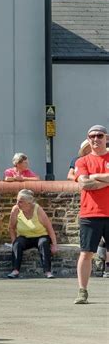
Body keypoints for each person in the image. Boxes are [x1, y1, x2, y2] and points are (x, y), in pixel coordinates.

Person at [73, 124, 109, 304]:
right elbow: (84, 184)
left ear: (106, 138)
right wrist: (105, 179)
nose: (96, 139)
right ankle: (82, 291)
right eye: (92, 136)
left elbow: (89, 181)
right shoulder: (82, 161)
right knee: (86, 253)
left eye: (99, 136)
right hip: (90, 213)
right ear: (88, 139)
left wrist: (94, 176)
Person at [8, 189, 58, 279]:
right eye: (17, 201)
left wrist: (54, 245)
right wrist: (13, 241)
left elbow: (49, 227)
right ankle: (15, 270)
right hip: (24, 237)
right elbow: (11, 227)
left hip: (40, 235)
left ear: (29, 203)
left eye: (20, 202)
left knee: (43, 243)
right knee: (17, 243)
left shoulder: (37, 209)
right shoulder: (15, 210)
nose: (17, 204)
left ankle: (47, 271)